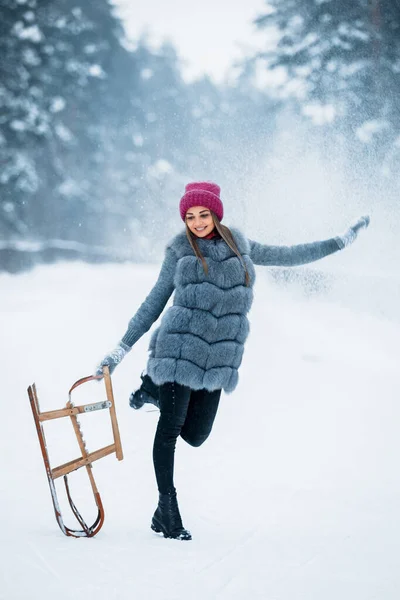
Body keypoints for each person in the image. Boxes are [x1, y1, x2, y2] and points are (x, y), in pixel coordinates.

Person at [96, 181, 370, 541]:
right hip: (177, 352)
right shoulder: (179, 251)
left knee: (196, 435)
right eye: (189, 216)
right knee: (170, 430)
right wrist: (121, 348)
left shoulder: (240, 246)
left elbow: (290, 255)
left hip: (217, 360)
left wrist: (339, 242)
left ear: (216, 214)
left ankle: (151, 389)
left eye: (203, 214)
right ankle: (167, 511)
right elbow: (154, 302)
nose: (196, 222)